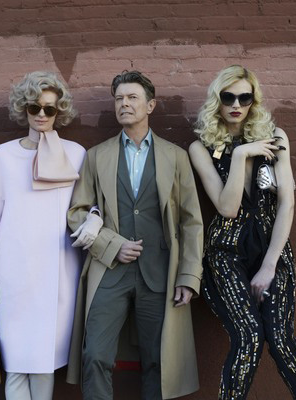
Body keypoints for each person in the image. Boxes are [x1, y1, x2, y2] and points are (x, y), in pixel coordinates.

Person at [66, 70, 204, 400]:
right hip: (108, 272)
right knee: (95, 355)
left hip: (160, 273)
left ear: (150, 105)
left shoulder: (176, 156)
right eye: (119, 99)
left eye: (132, 98)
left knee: (158, 361)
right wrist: (111, 245)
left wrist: (188, 276)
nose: (124, 104)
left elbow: (192, 222)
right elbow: (77, 213)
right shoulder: (97, 156)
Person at [188, 65, 296, 400]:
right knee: (247, 336)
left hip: (271, 249)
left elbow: (287, 204)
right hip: (226, 252)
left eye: (244, 98)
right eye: (228, 97)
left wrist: (269, 265)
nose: (236, 105)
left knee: (280, 338)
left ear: (253, 100)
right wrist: (241, 154)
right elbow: (227, 208)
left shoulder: (276, 138)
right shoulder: (200, 147)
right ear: (217, 100)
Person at [0, 71, 86, 400]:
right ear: (24, 109)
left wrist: (93, 218)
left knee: (45, 360)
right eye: (34, 107)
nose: (41, 115)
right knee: (16, 362)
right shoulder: (4, 155)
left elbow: (88, 203)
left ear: (59, 111)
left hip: (58, 272)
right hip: (12, 273)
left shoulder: (76, 154)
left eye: (49, 108)